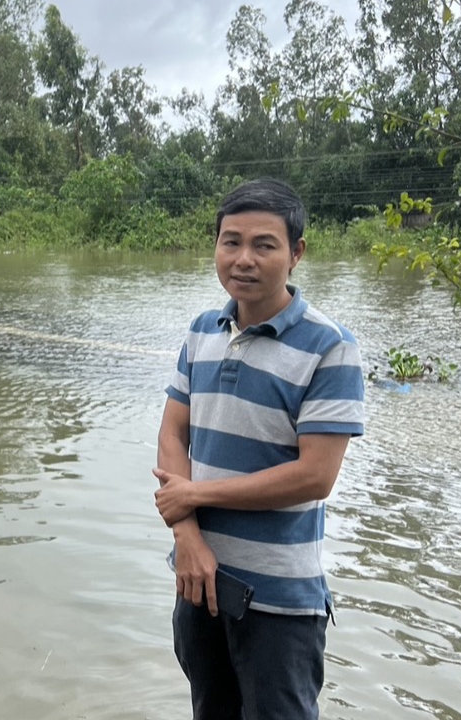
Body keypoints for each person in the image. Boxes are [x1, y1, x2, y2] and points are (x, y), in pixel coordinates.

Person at [152, 178, 365, 719]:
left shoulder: (330, 347)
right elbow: (173, 434)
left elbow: (315, 476)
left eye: (264, 245)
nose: (243, 259)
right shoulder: (202, 331)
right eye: (231, 242)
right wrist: (187, 536)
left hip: (279, 602)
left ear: (296, 253)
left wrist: (197, 495)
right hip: (197, 582)